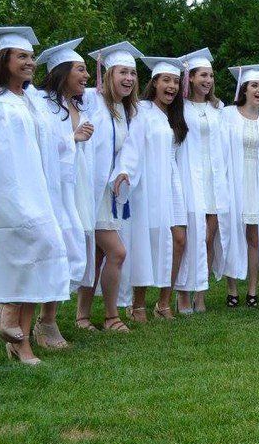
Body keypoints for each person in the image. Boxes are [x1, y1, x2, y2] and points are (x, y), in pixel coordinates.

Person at [0, 26, 70, 365]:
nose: (30, 62)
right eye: (22, 56)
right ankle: (10, 311)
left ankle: (19, 338)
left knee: (40, 257)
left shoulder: (32, 100)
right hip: (5, 191)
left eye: (31, 57)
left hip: (36, 189)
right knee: (33, 249)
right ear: (4, 60)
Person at [113, 57, 190, 320]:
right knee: (148, 241)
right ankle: (138, 304)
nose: (172, 86)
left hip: (171, 181)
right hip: (148, 183)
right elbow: (132, 145)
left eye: (176, 82)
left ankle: (163, 303)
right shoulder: (142, 110)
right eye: (166, 80)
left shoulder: (175, 114)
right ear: (154, 83)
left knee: (179, 239)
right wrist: (124, 170)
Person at [74, 42, 142, 332]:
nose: (129, 78)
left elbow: (127, 148)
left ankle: (82, 317)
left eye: (133, 73)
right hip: (89, 188)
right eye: (123, 72)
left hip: (109, 192)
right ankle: (111, 317)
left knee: (100, 254)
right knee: (117, 252)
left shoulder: (124, 109)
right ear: (109, 74)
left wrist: (123, 171)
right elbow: (48, 100)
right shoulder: (89, 98)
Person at [32, 38, 96, 348]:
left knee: (72, 251)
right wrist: (73, 137)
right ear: (62, 71)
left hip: (72, 186)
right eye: (81, 69)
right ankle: (45, 322)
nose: (87, 76)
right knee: (55, 251)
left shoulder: (76, 104)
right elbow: (37, 143)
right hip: (49, 189)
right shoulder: (40, 103)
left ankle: (39, 316)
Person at [217, 64, 259, 307]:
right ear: (244, 89)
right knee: (232, 234)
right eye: (254, 85)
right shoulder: (227, 115)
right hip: (234, 182)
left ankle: (252, 290)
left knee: (254, 238)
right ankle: (232, 289)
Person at [177, 48, 231, 313]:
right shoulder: (180, 108)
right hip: (191, 177)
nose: (208, 81)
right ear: (190, 77)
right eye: (202, 76)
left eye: (210, 76)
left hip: (215, 179)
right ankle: (183, 294)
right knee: (192, 239)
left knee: (209, 238)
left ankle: (201, 294)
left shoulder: (218, 108)